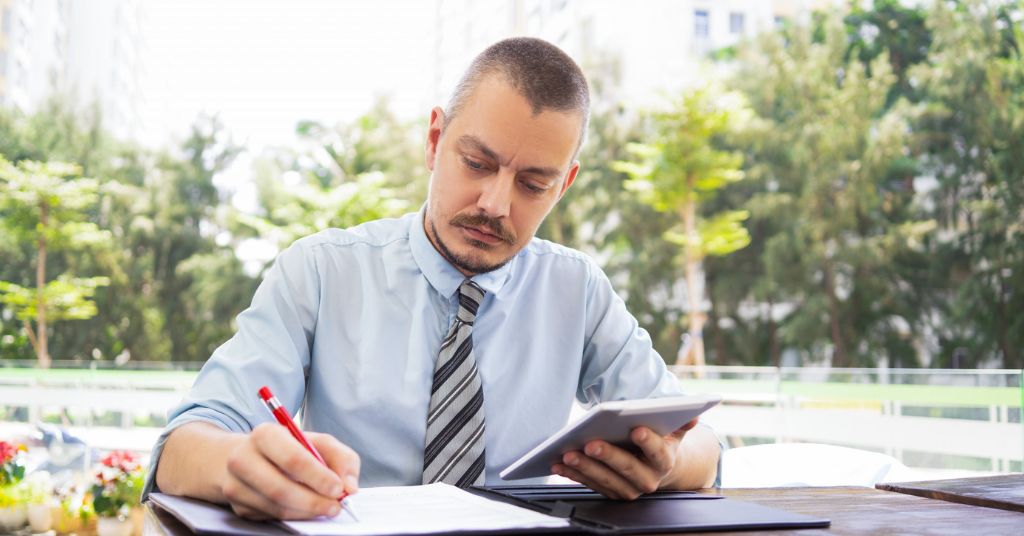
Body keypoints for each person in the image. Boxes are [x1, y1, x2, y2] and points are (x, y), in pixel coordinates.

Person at [145, 37, 722, 521]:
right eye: (476, 163)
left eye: (532, 184)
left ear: (564, 184)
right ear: (434, 141)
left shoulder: (578, 290)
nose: (495, 204)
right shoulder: (321, 272)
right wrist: (238, 466)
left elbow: (696, 440)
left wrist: (669, 462)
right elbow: (180, 449)